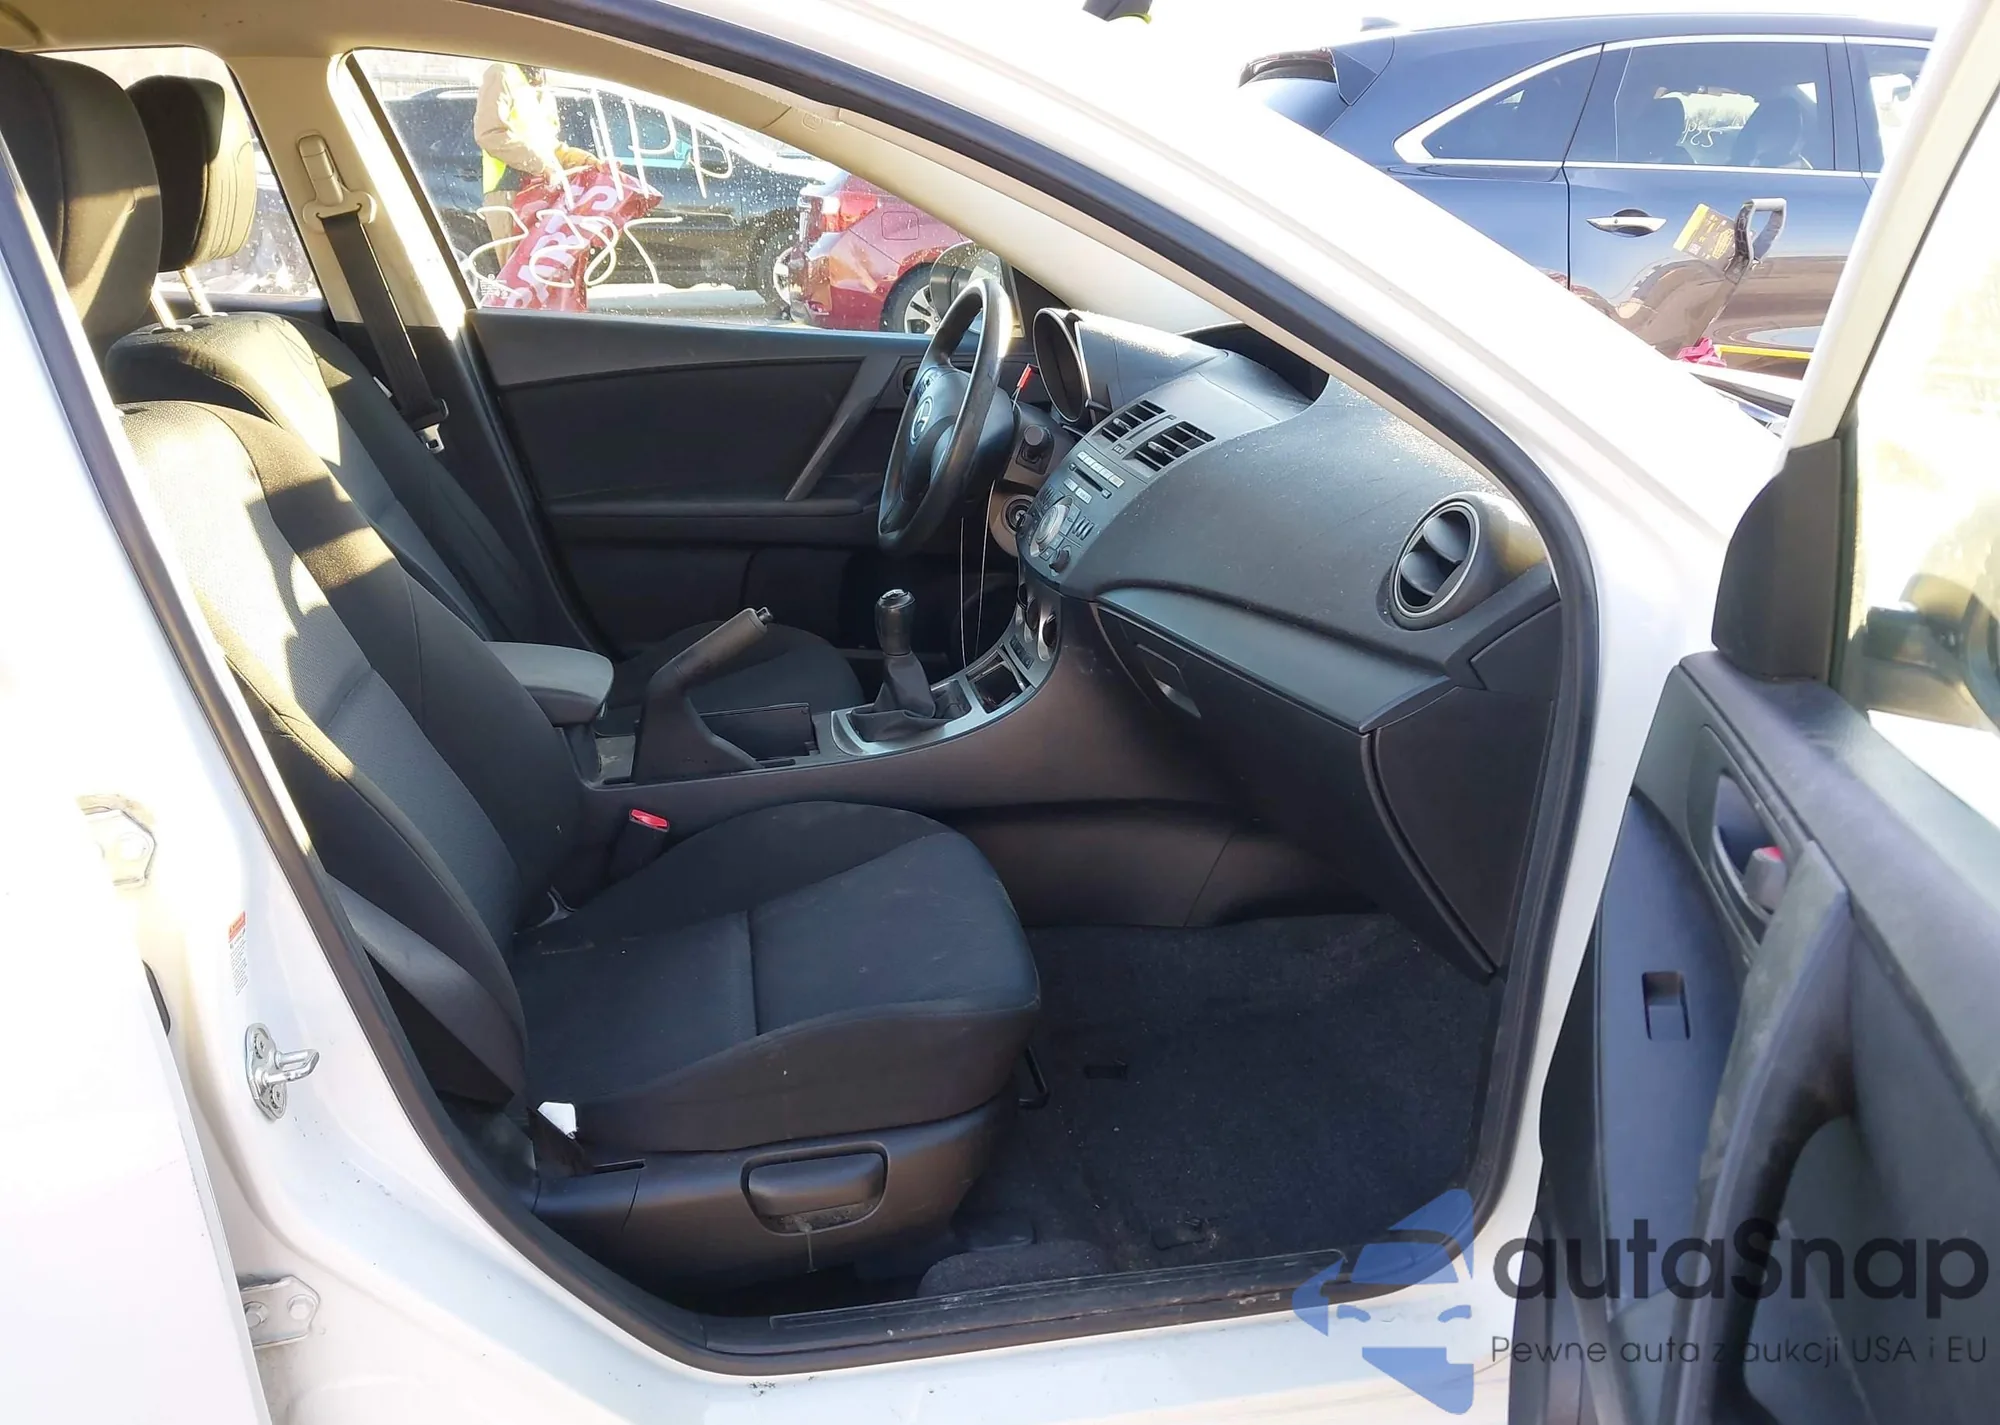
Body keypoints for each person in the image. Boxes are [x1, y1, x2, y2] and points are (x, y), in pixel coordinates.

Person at [474, 62, 595, 248]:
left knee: (547, 262)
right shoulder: (502, 73)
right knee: (520, 263)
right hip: (510, 188)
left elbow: (549, 146)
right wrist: (540, 165)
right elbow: (490, 134)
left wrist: (586, 161)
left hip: (542, 189)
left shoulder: (540, 85)